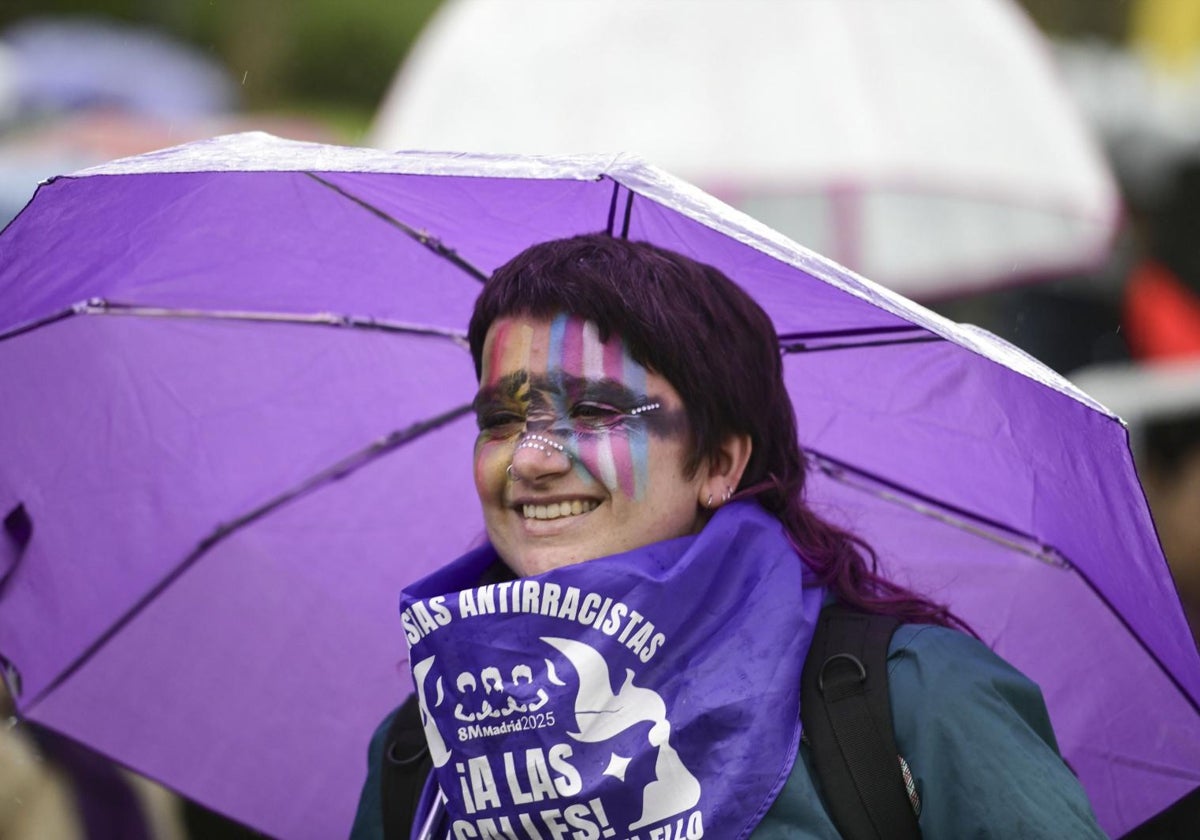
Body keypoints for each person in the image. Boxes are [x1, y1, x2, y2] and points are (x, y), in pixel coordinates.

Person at [351, 234, 1104, 839]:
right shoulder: (427, 741)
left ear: (718, 462)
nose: (532, 459)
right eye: (502, 421)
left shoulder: (914, 700)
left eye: (597, 413)